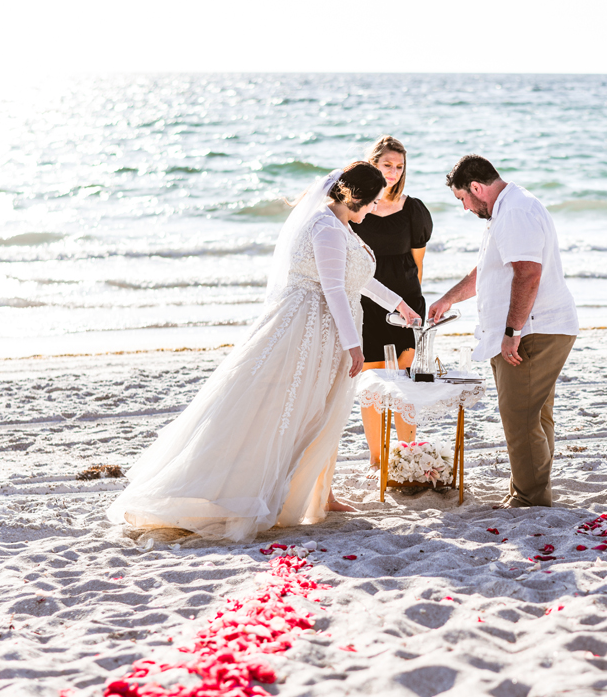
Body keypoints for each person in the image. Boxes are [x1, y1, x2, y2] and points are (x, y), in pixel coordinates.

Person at [107, 163, 421, 540]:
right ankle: (247, 491)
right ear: (352, 197)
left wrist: (398, 304)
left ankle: (315, 493)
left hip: (326, 331)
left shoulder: (342, 226)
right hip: (309, 332)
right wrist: (354, 345)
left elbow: (360, 280)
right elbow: (335, 289)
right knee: (287, 410)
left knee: (318, 414)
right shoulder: (325, 228)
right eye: (368, 204)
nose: (371, 210)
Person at [427, 155, 578, 508]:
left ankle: (530, 498)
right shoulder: (508, 209)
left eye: (462, 199)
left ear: (476, 188)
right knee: (534, 414)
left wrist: (513, 330)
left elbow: (528, 273)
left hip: (535, 329)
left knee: (519, 415)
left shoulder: (515, 212)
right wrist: (450, 298)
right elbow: (489, 270)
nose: (465, 208)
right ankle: (529, 490)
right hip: (535, 326)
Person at [350, 135, 433, 470]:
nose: (394, 172)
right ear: (373, 164)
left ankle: (408, 453)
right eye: (387, 165)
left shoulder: (413, 209)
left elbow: (418, 263)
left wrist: (411, 306)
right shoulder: (356, 208)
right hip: (366, 304)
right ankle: (376, 459)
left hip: (408, 305)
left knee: (405, 381)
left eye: (399, 166)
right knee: (372, 383)